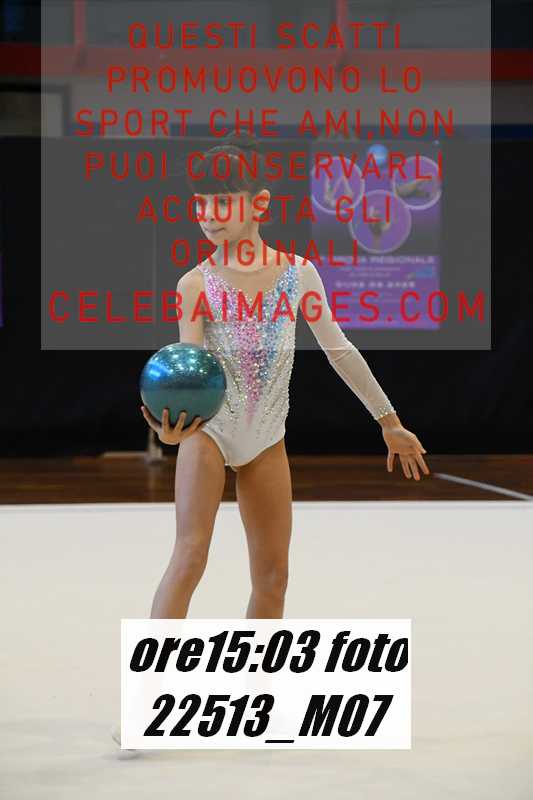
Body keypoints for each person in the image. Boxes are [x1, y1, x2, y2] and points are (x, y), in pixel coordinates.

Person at [110, 130, 429, 747]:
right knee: (190, 555)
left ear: (258, 203)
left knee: (274, 575)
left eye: (222, 202)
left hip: (266, 439)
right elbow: (191, 366)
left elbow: (339, 350)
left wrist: (388, 420)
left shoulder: (298, 274)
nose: (209, 215)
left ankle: (253, 699)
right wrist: (172, 424)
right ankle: (144, 699)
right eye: (201, 203)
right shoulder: (195, 284)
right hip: (210, 433)